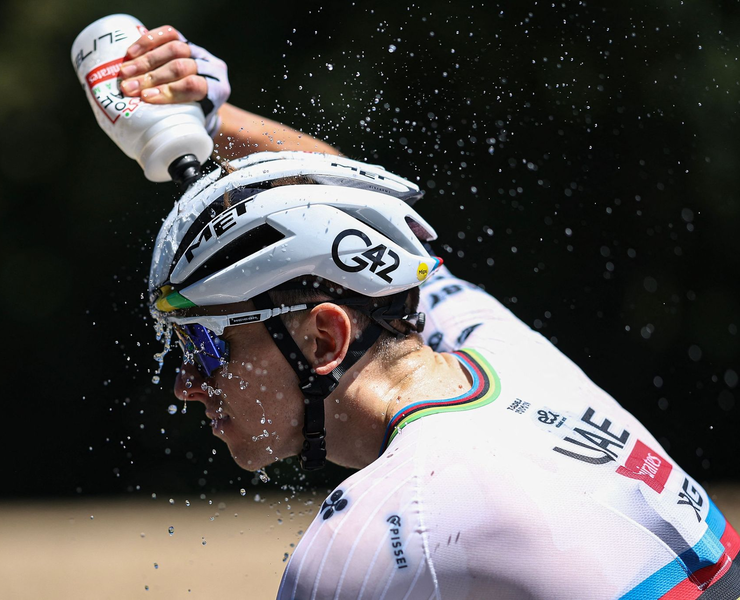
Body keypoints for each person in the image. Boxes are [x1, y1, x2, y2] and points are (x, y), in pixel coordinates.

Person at [120, 26, 740, 600]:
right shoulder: (497, 344)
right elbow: (340, 224)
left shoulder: (369, 534)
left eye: (208, 346)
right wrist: (209, 117)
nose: (186, 385)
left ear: (324, 339)